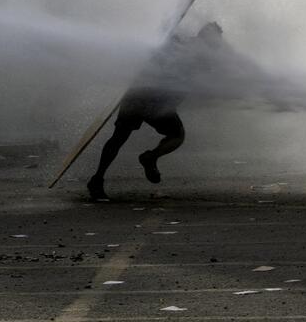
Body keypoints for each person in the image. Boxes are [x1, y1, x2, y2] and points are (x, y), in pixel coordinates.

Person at [86, 22, 223, 201]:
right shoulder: (198, 54)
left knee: (119, 138)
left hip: (138, 94)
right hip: (154, 101)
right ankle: (150, 158)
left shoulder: (182, 44)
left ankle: (97, 180)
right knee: (176, 135)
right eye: (215, 40)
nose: (217, 44)